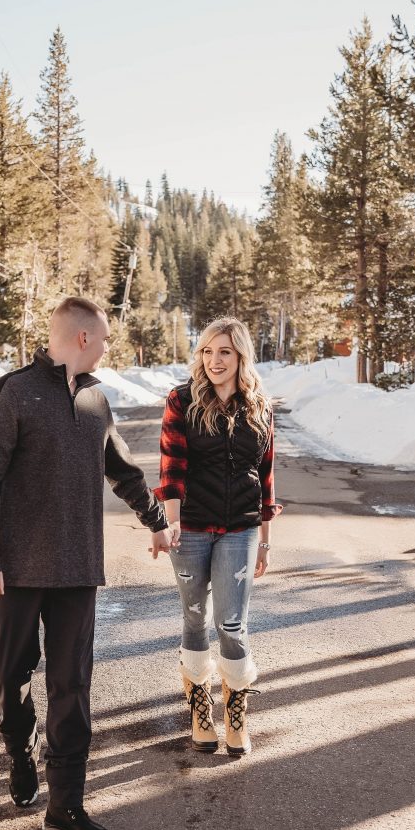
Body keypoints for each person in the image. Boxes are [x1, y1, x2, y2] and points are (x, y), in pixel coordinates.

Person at [0, 296, 171, 830]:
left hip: (78, 569)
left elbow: (122, 469)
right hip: (15, 572)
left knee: (72, 686)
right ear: (82, 338)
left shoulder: (97, 401)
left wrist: (155, 521)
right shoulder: (13, 392)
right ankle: (17, 746)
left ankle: (66, 806)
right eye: (103, 338)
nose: (106, 348)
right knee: (9, 676)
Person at [152, 316, 283, 756]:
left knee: (232, 623)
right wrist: (170, 522)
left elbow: (265, 478)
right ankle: (199, 707)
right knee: (194, 618)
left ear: (241, 355)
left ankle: (237, 710)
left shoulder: (260, 406)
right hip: (189, 528)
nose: (214, 360)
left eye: (224, 351)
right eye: (207, 351)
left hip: (241, 528)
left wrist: (263, 539)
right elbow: (171, 469)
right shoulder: (182, 400)